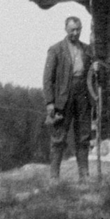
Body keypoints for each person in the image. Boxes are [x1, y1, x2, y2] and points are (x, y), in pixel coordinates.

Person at [42, 16, 96, 180]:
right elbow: (47, 78)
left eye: (78, 29)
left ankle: (84, 175)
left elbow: (94, 74)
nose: (75, 33)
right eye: (72, 30)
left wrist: (97, 70)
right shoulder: (56, 50)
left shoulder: (87, 49)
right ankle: (54, 177)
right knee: (58, 137)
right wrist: (50, 102)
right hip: (63, 97)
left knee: (83, 136)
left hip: (83, 95)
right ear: (66, 29)